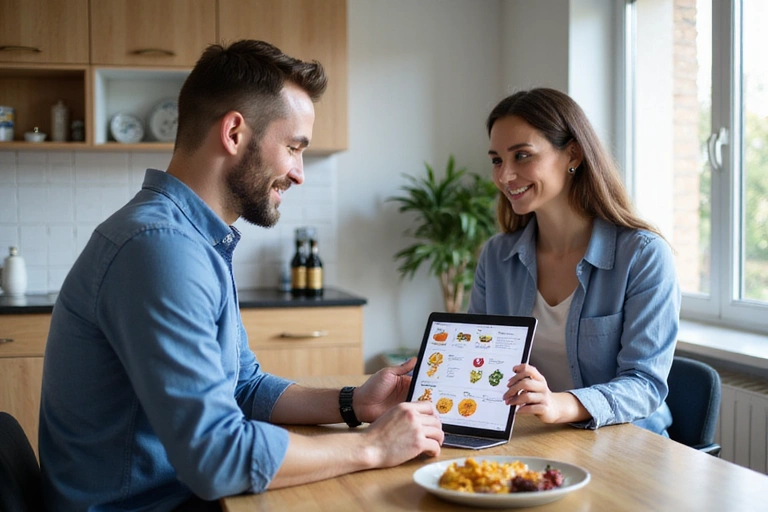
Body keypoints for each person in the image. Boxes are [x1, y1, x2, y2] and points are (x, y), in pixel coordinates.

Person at [39, 40, 443, 511]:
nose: (299, 174)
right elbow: (217, 458)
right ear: (234, 132)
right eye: (293, 147)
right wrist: (372, 446)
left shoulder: (193, 238)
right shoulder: (158, 248)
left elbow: (242, 385)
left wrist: (354, 403)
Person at [468, 87, 680, 435]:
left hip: (627, 445)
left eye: (521, 155)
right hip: (532, 438)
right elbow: (479, 360)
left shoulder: (643, 255)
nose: (504, 176)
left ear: (574, 155)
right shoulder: (496, 256)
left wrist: (558, 404)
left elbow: (644, 385)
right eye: (496, 160)